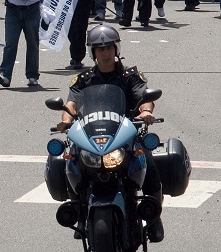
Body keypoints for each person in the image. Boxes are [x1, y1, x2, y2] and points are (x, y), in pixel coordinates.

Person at [54, 24, 164, 242]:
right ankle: (80, 215)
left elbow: (145, 97)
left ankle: (154, 218)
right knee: (71, 162)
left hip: (125, 136)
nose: (105, 53)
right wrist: (65, 120)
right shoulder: (83, 79)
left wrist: (145, 112)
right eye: (100, 49)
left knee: (149, 165)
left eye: (108, 48)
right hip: (92, 137)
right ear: (93, 53)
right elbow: (71, 103)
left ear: (116, 49)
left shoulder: (129, 76)